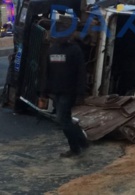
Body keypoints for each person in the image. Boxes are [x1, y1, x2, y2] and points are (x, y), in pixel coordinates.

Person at [46, 23, 88, 157]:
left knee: (62, 121)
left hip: (69, 92)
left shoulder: (74, 50)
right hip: (57, 91)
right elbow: (47, 72)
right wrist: (45, 90)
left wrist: (80, 93)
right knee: (66, 119)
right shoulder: (52, 50)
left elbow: (81, 73)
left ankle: (75, 148)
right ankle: (82, 141)